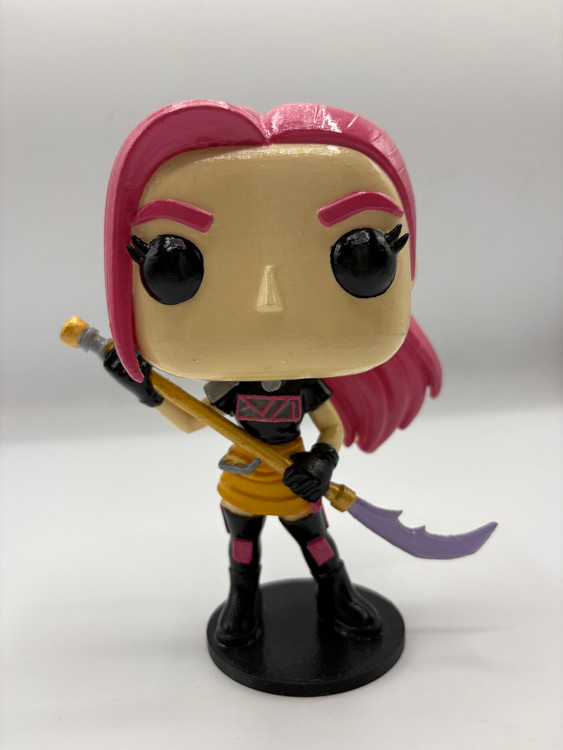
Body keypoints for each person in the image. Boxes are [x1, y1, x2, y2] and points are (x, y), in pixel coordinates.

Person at [103, 100, 442, 647]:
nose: (268, 303)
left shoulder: (302, 387)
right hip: (242, 482)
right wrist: (145, 390)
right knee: (242, 550)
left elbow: (329, 426)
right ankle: (243, 605)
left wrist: (321, 461)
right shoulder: (228, 389)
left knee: (318, 544)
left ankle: (338, 596)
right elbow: (191, 421)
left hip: (294, 478)